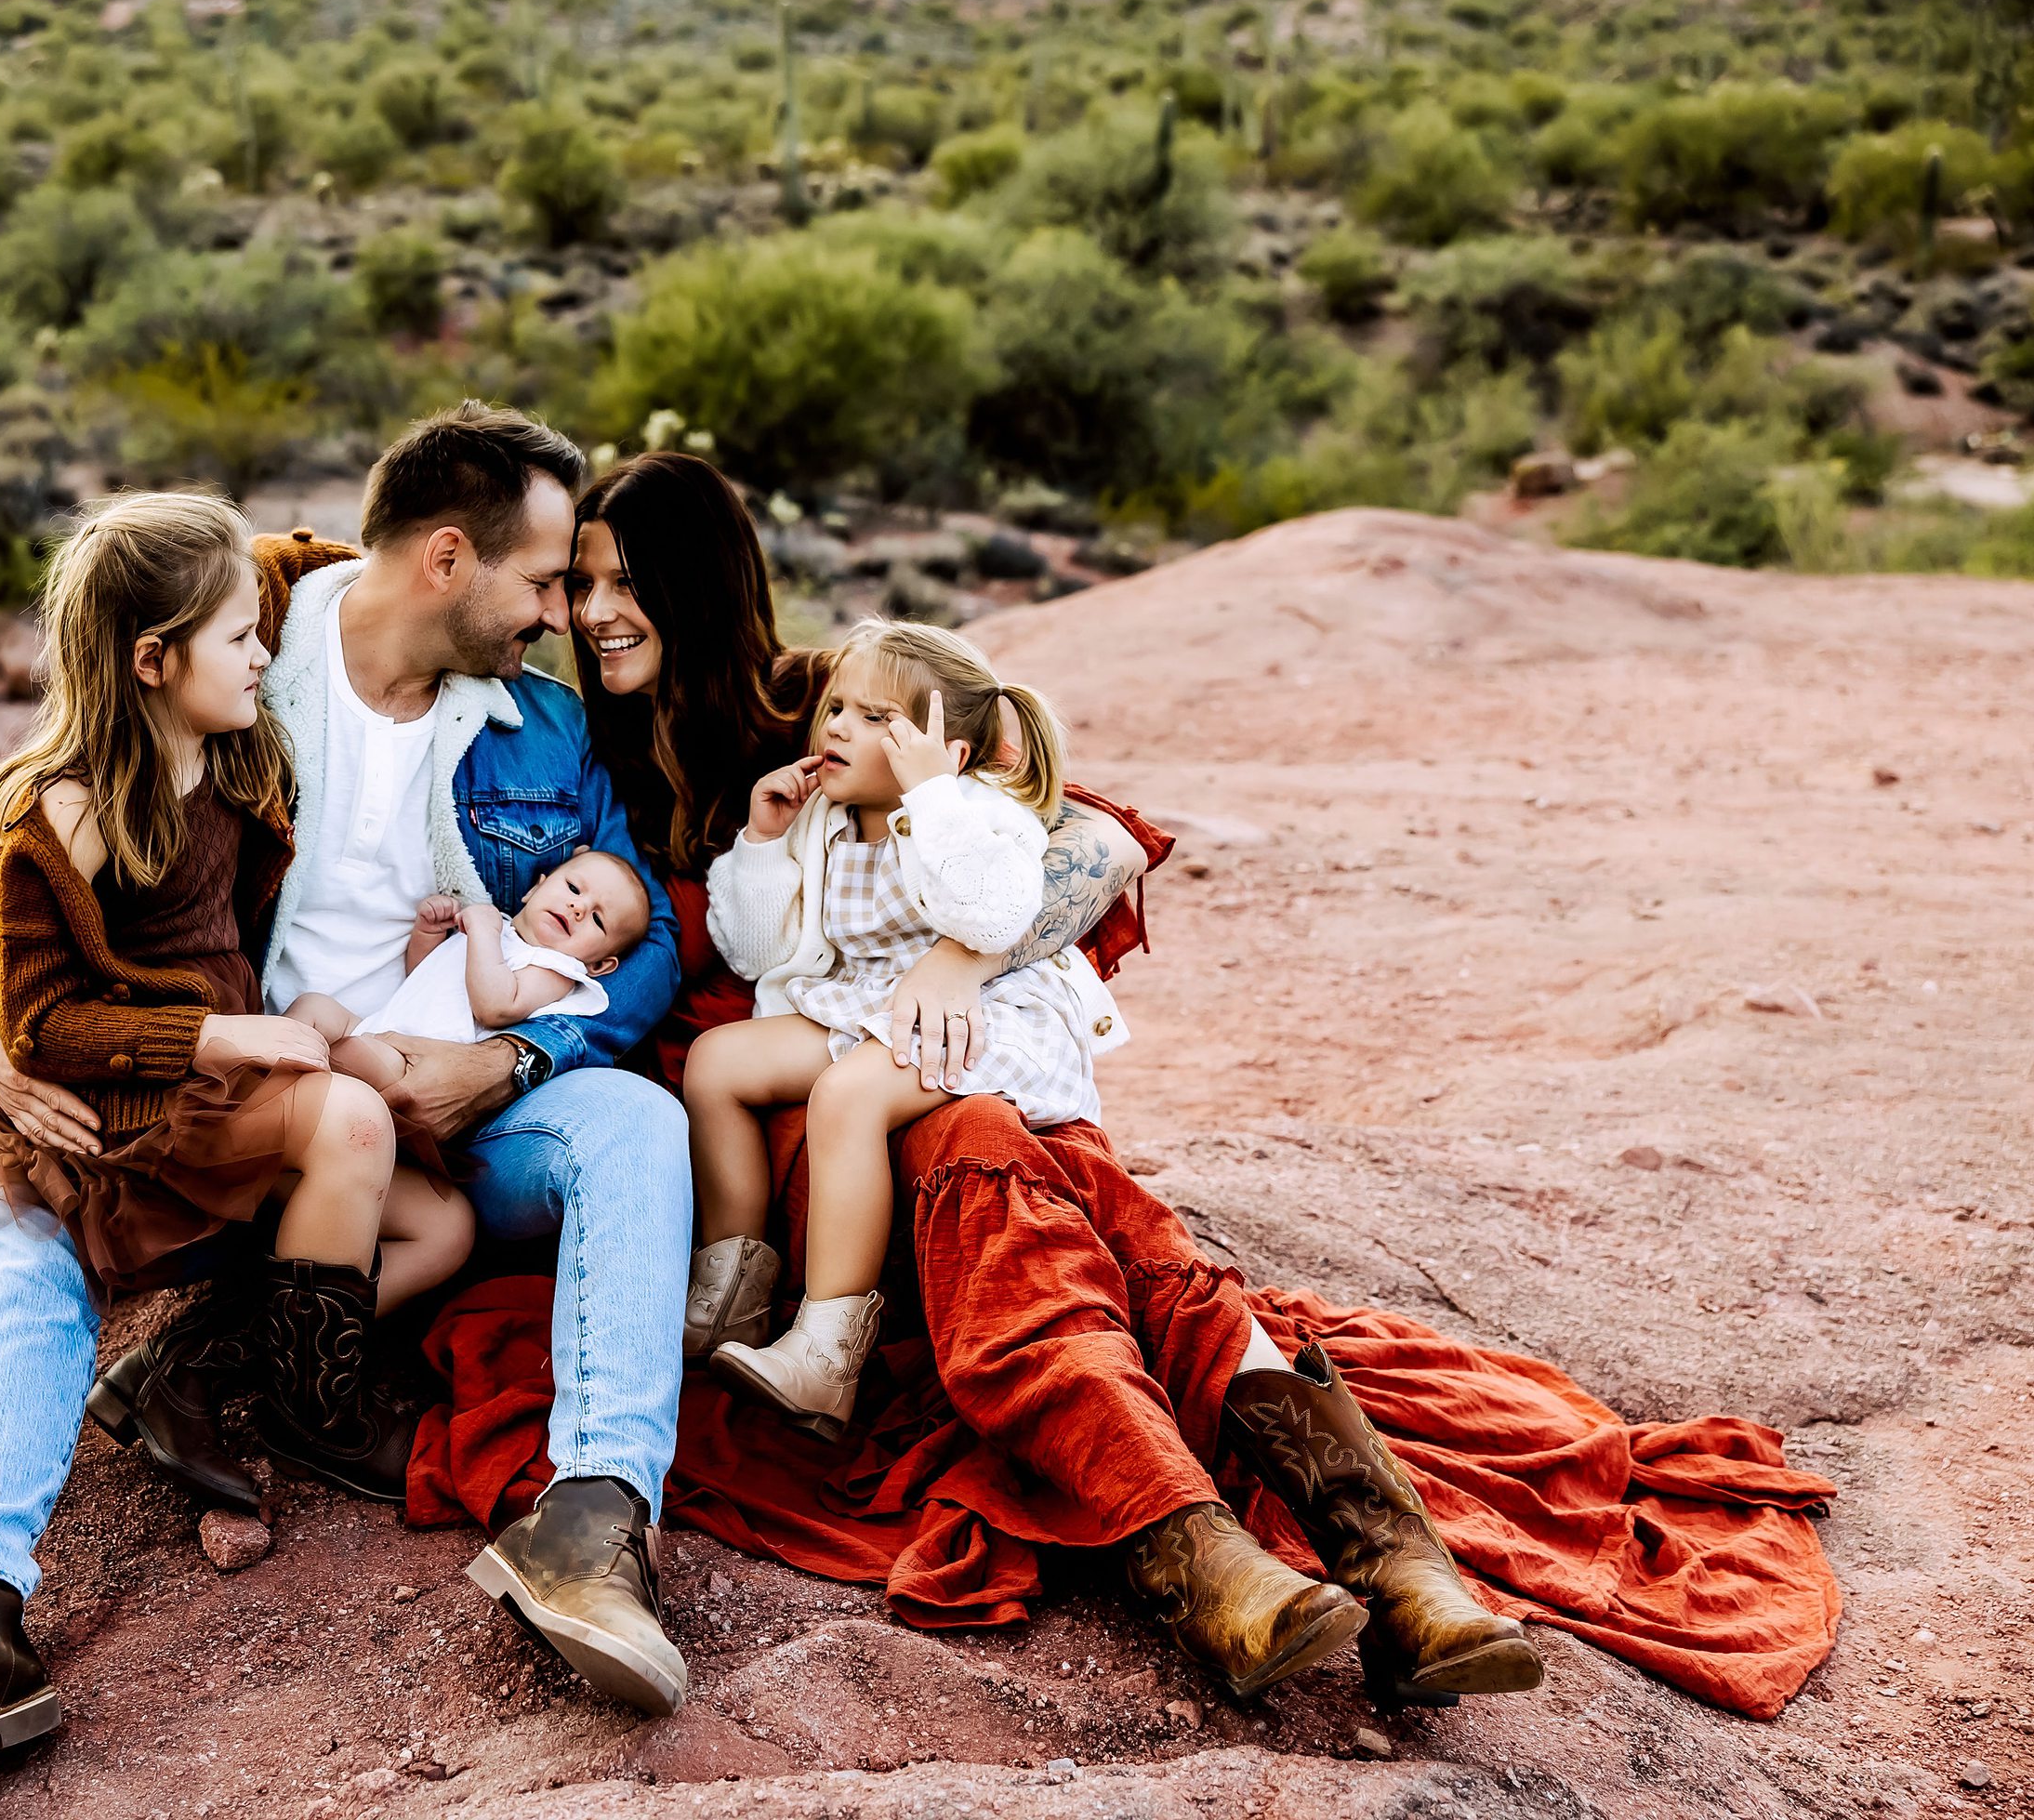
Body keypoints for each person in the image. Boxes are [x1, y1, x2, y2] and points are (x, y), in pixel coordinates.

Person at [569, 450, 1544, 1706]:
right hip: (785, 1112)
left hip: (917, 1049)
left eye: (619, 579)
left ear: (696, 580)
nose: (588, 611)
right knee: (994, 1175)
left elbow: (1086, 837)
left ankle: (1390, 1556)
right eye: (573, 583)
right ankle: (1200, 1557)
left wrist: (960, 964)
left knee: (1091, 1209)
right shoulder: (576, 754)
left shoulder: (830, 700)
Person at [0, 404, 699, 1745]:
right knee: (28, 1213)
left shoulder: (544, 732)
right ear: (447, 558)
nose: (560, 614)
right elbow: (32, 845)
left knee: (633, 1124)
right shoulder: (235, 626)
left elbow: (649, 928)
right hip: (225, 1100)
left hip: (430, 1114)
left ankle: (596, 1526)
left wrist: (509, 1056)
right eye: (545, 579)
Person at [0, 495, 471, 1799]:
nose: (263, 651)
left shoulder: (242, 697)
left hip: (217, 1098)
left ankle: (206, 1377)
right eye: (236, 637)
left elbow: (322, 565)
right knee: (30, 1246)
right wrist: (203, 1038)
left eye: (264, 630)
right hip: (125, 1098)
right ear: (153, 657)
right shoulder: (60, 803)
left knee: (437, 1219)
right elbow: (25, 1005)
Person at [686, 621, 1119, 1439]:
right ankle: (729, 1292)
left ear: (950, 754)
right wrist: (763, 842)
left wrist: (933, 800)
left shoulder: (983, 814)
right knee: (716, 1064)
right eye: (839, 707)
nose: (840, 727)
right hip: (862, 1008)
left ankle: (825, 1351)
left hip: (978, 1016)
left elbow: (990, 917)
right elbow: (754, 951)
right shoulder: (821, 818)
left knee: (849, 1098)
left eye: (880, 718)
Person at [288, 848, 651, 1099]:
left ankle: (285, 1109)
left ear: (599, 966)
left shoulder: (556, 969)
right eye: (573, 888)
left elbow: (495, 1006)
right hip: (384, 1027)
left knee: (346, 1054)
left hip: (419, 1066)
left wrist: (483, 932)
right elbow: (424, 978)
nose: (577, 907)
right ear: (535, 889)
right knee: (313, 1008)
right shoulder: (499, 930)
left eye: (598, 919)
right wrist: (429, 935)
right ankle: (250, 1085)